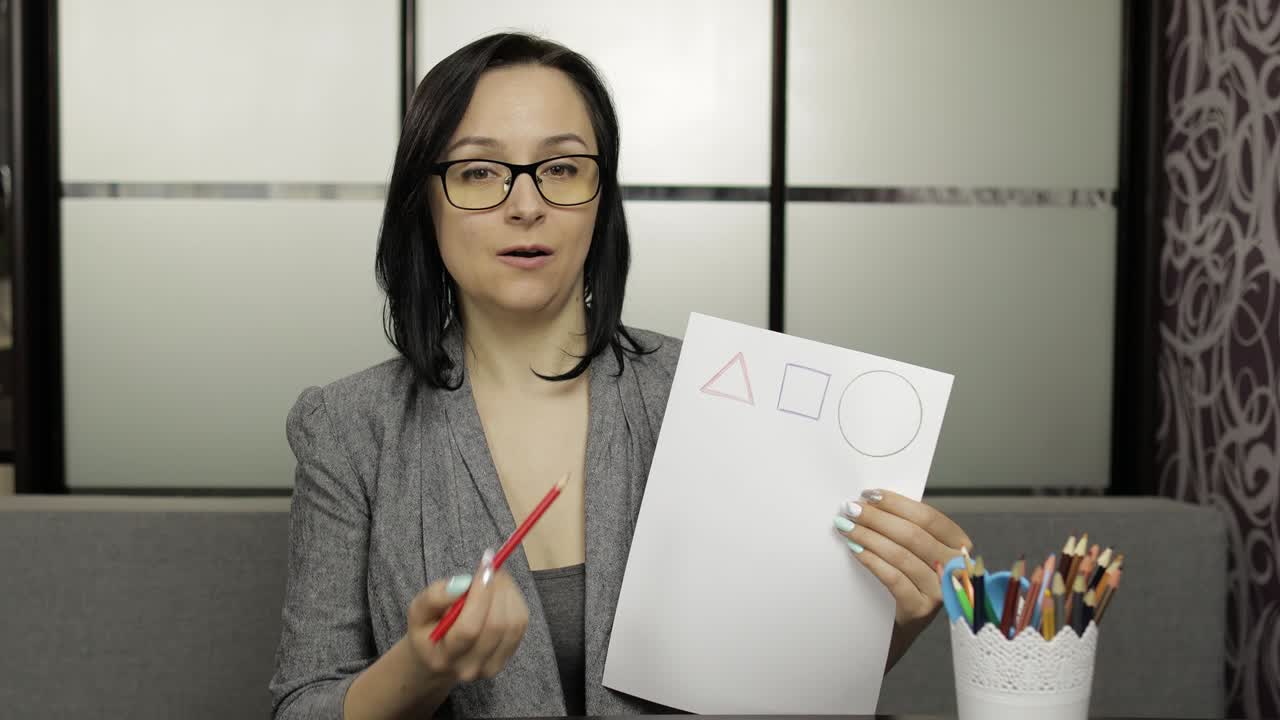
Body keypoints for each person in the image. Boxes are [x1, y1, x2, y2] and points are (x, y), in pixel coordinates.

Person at [269, 32, 973, 720]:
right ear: (424, 202)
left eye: (562, 168)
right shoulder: (348, 427)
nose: (526, 204)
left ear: (601, 196)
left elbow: (777, 692)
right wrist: (419, 668)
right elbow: (304, 703)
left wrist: (887, 625)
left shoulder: (708, 396)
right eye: (479, 171)